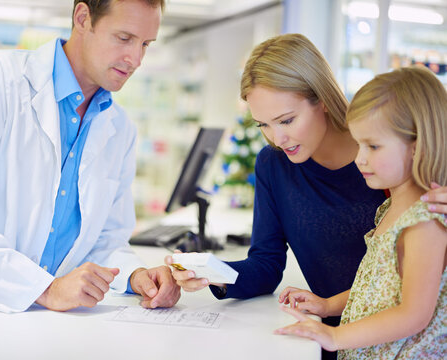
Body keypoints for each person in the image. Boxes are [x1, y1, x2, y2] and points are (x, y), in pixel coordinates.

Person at [165, 34, 447, 359]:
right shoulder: (274, 164)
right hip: (327, 337)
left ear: (321, 98)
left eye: (287, 120)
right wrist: (214, 272)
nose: (278, 138)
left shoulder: (392, 162)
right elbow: (266, 263)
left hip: (391, 343)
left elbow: (419, 295)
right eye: (263, 125)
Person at [0, 0, 180, 331]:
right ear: (82, 18)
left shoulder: (119, 128)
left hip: (47, 328)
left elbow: (105, 240)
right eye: (124, 38)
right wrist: (45, 288)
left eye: (145, 44)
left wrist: (136, 276)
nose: (136, 59)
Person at [276, 66, 447, 359]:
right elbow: (377, 291)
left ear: (417, 148)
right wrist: (328, 306)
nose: (360, 159)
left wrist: (335, 334)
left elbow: (414, 314)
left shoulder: (424, 223)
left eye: (373, 146)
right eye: (359, 144)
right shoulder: (391, 208)